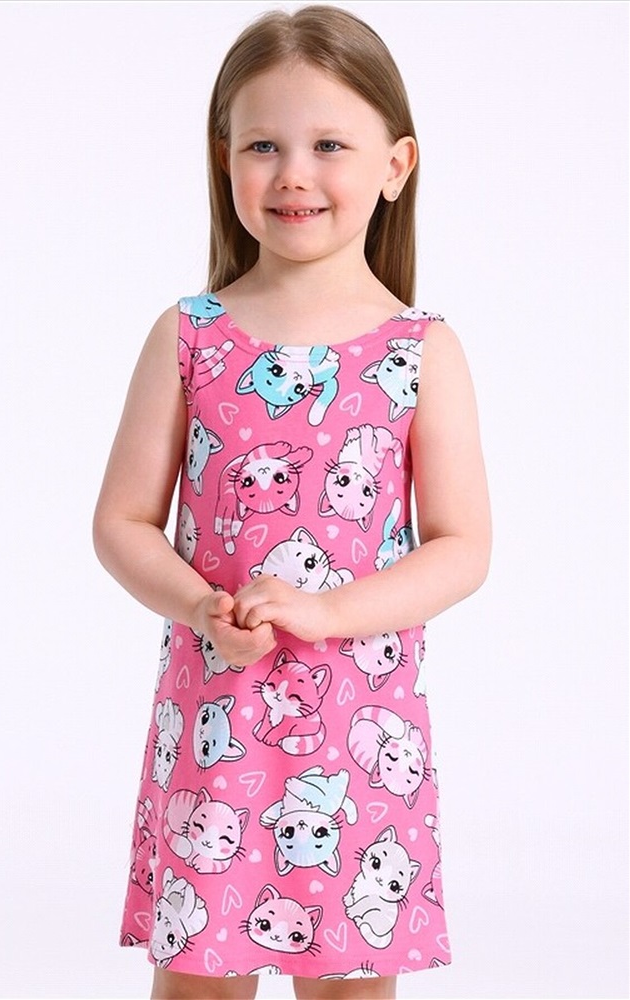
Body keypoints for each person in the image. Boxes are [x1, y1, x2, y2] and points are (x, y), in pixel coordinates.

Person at [92, 5, 491, 999]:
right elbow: (122, 521)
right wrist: (199, 606)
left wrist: (327, 610)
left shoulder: (420, 350)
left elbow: (460, 545)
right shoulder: (189, 335)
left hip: (361, 732)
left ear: (395, 165)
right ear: (223, 158)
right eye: (262, 145)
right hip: (217, 721)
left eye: (328, 146)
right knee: (198, 978)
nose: (292, 174)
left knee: (350, 980)